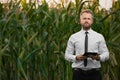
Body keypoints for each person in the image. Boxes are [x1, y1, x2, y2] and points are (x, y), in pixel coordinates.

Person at [65, 9, 109, 80]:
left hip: (95, 74)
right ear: (80, 21)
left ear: (92, 21)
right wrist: (76, 58)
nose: (86, 20)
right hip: (78, 74)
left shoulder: (99, 36)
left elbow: (106, 54)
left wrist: (99, 57)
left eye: (89, 18)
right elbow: (67, 55)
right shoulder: (73, 37)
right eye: (84, 18)